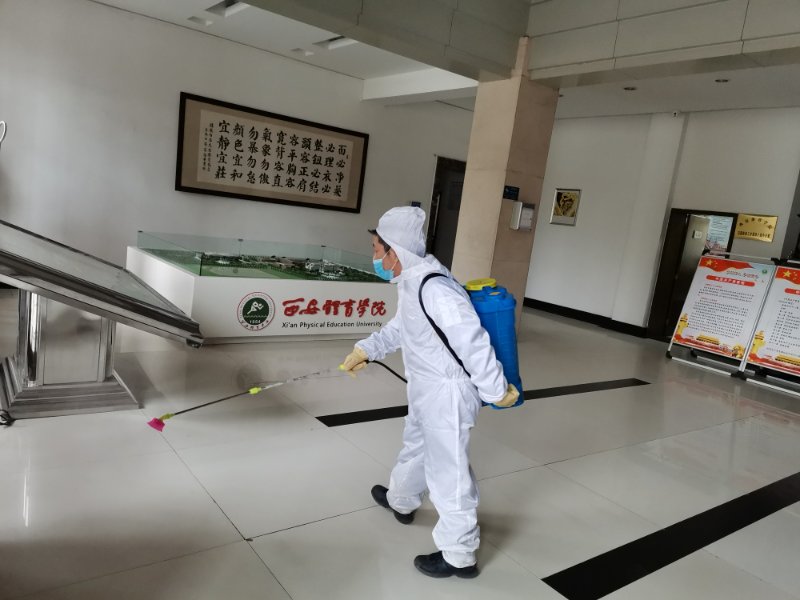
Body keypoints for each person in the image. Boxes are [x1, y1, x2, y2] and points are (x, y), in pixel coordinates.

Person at [340, 206, 519, 579]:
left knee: (448, 473)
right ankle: (401, 500)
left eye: (377, 249)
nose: (374, 257)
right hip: (425, 387)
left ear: (396, 251)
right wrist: (366, 349)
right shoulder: (410, 281)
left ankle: (459, 554)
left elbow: (472, 342)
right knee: (416, 446)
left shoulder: (436, 289)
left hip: (448, 394)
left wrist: (495, 389)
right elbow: (400, 328)